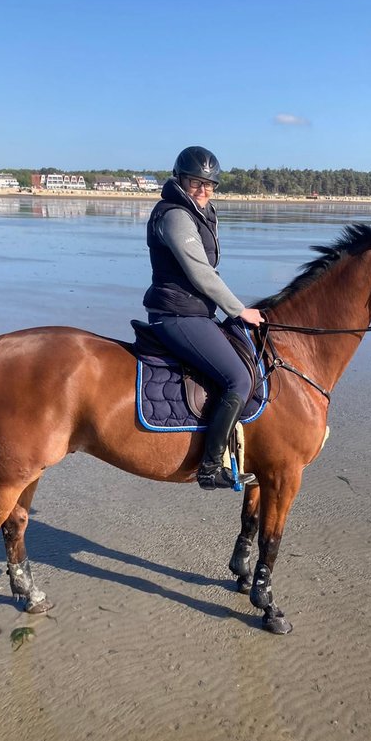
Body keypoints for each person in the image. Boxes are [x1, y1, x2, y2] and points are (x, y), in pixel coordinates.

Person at [143, 146, 265, 489]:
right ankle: (210, 469)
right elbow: (201, 274)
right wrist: (238, 309)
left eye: (209, 184)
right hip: (176, 314)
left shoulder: (203, 212)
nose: (202, 190)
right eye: (196, 182)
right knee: (239, 380)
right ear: (179, 179)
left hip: (195, 312)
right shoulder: (175, 215)